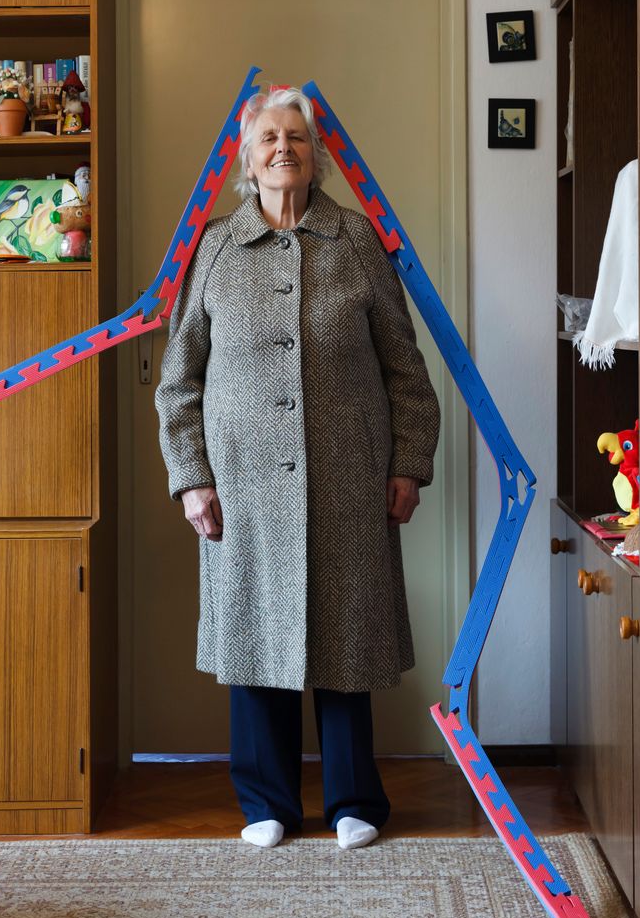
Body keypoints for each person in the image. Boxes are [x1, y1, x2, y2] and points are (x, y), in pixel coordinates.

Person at [155, 86, 440, 850]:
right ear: (246, 161)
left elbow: (405, 369)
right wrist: (192, 476)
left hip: (350, 479)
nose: (284, 148)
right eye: (269, 139)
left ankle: (354, 801)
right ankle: (267, 803)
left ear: (316, 157)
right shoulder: (214, 247)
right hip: (241, 486)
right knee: (254, 638)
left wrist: (410, 462)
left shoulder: (356, 241)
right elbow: (179, 379)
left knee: (348, 640)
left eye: (298, 139)